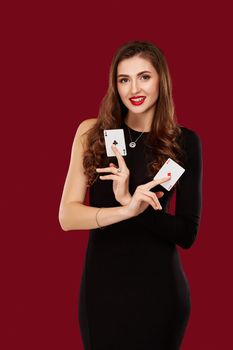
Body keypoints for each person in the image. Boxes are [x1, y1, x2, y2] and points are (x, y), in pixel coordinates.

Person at [58, 40, 202, 350]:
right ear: (115, 85)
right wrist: (125, 209)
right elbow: (67, 216)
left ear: (161, 79)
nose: (133, 88)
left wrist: (132, 203)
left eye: (144, 77)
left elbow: (186, 233)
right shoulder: (95, 133)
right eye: (124, 79)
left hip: (160, 293)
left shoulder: (180, 144)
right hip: (102, 290)